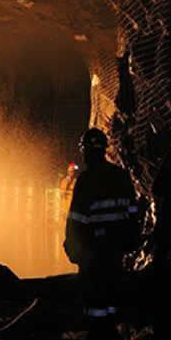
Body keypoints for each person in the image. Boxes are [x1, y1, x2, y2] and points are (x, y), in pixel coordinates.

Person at [64, 128, 140, 321]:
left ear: (87, 151)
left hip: (93, 254)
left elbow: (76, 220)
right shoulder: (121, 176)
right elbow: (133, 212)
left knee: (94, 304)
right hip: (116, 252)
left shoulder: (86, 180)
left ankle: (98, 333)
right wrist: (130, 240)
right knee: (113, 300)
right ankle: (111, 330)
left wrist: (72, 248)